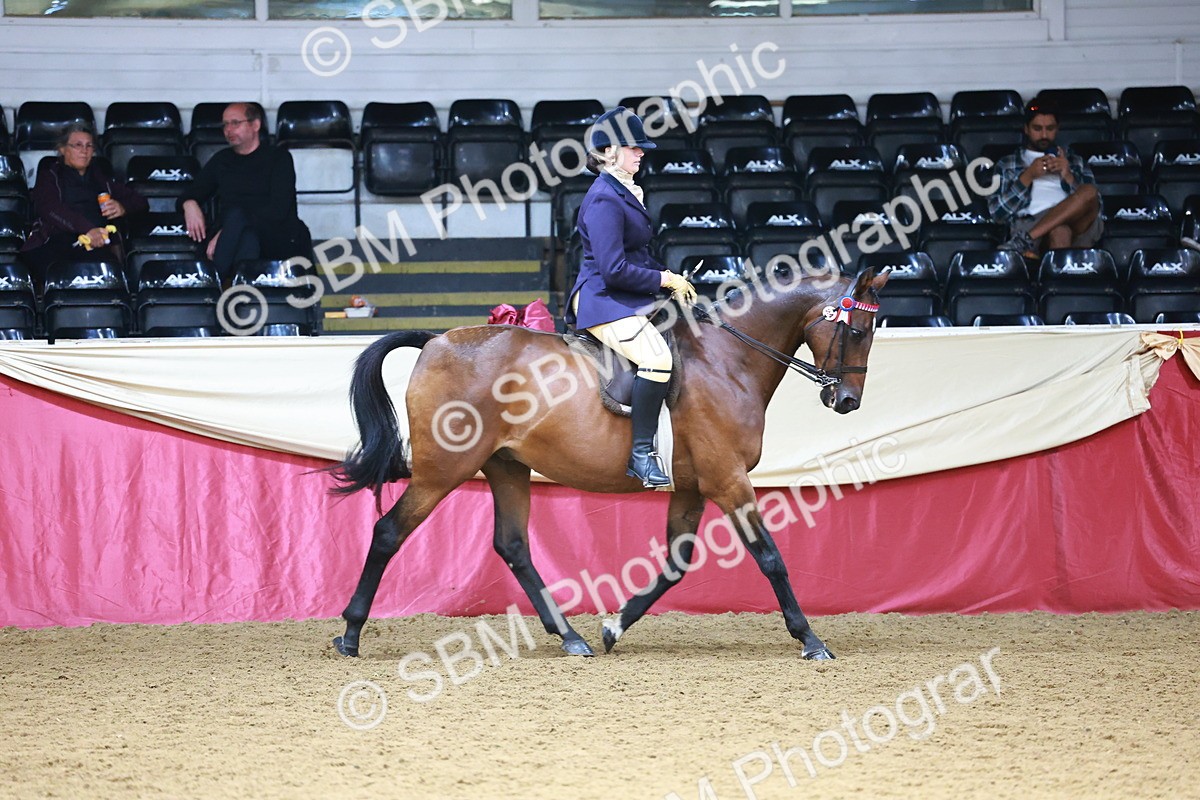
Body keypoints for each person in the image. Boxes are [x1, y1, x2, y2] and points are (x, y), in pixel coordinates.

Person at [566, 106, 697, 489]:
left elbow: (636, 256)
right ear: (609, 152)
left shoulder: (623, 190)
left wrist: (670, 282)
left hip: (623, 293)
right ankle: (641, 454)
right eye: (633, 147)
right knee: (657, 359)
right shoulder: (605, 198)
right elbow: (613, 269)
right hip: (602, 297)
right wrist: (664, 278)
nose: (642, 152)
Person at [178, 102, 311, 281]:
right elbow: (190, 193)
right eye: (225, 124)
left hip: (276, 233)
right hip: (239, 237)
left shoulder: (278, 158)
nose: (228, 130)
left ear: (255, 125)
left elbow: (279, 209)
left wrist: (229, 230)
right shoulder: (222, 160)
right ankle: (239, 294)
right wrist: (190, 203)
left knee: (238, 218)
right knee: (247, 238)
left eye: (235, 123)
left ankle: (212, 283)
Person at [21, 123, 148, 285]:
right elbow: (50, 209)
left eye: (89, 146)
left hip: (97, 246)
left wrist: (122, 207)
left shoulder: (101, 179)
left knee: (109, 273)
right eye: (78, 145)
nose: (84, 150)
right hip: (55, 243)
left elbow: (141, 202)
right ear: (62, 149)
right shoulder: (50, 177)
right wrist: (88, 229)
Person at [989, 101, 1102, 259]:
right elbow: (997, 214)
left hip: (1078, 225)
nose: (1044, 135)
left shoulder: (1075, 161)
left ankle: (1024, 242)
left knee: (1090, 190)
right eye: (1037, 128)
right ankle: (1057, 279)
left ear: (1057, 129)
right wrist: (1028, 176)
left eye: (1050, 129)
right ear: (1026, 129)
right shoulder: (1007, 164)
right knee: (1060, 231)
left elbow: (1096, 206)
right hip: (1031, 221)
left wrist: (1068, 175)